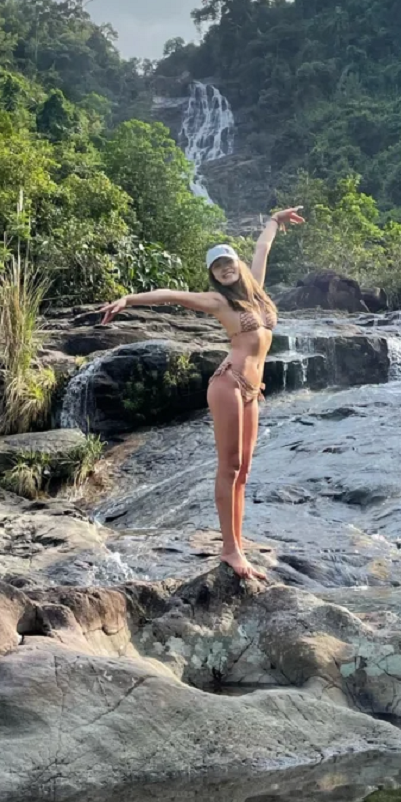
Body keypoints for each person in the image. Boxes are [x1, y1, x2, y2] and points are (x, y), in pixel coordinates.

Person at [97, 207, 306, 581]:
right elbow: (171, 297)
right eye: (217, 267)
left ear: (237, 265)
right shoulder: (218, 302)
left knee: (243, 471)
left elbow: (263, 248)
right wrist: (129, 299)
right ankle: (229, 550)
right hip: (228, 383)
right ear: (214, 275)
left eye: (228, 262)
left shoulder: (256, 291)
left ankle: (238, 545)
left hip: (252, 390)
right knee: (228, 467)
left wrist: (274, 220)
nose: (225, 268)